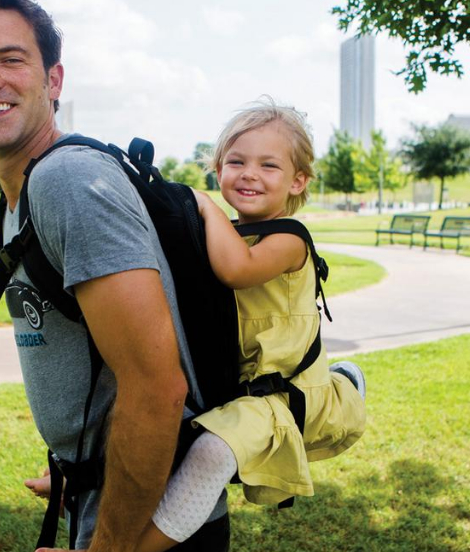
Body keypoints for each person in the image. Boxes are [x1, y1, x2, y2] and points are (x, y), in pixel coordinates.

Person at [0, 0, 228, 551]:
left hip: (156, 524)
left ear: (54, 80)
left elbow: (156, 387)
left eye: (10, 58)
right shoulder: (19, 193)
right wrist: (80, 468)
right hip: (111, 495)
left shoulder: (68, 184)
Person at [138, 101, 368, 551]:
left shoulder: (288, 238)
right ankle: (77, 477)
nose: (249, 174)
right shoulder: (223, 232)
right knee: (151, 422)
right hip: (237, 385)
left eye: (268, 165)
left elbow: (237, 270)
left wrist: (202, 206)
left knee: (209, 454)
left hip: (281, 392)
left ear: (297, 181)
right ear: (218, 168)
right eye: (236, 162)